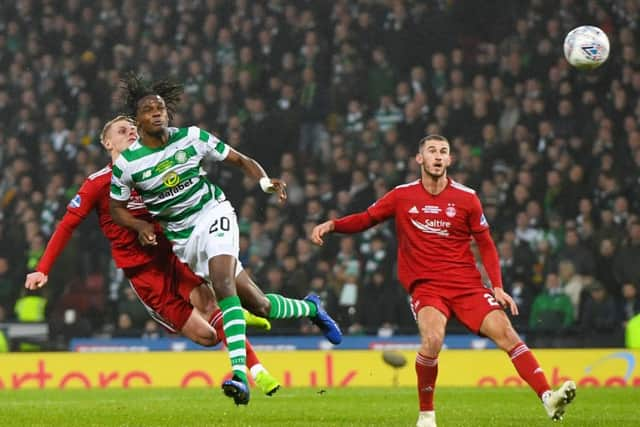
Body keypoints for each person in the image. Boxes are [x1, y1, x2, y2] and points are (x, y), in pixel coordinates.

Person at [311, 135, 576, 427]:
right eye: (432, 151)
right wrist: (333, 225)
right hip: (426, 285)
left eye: (444, 152)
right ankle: (426, 415)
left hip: (467, 285)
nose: (438, 156)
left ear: (450, 160)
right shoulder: (401, 195)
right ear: (419, 159)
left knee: (507, 334)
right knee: (433, 340)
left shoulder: (467, 198)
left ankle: (548, 398)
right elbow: (367, 218)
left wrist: (497, 286)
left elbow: (485, 243)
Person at [109, 75, 342, 405]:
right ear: (139, 120)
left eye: (160, 107)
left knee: (221, 284)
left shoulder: (192, 138)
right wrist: (137, 225)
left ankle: (239, 373)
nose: (157, 113)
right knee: (259, 304)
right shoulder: (129, 164)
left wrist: (263, 183)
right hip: (184, 239)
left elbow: (240, 159)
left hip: (214, 213)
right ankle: (311, 307)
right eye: (149, 110)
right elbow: (116, 208)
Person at [24, 116, 280, 396]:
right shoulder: (98, 183)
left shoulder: (152, 167)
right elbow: (67, 225)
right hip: (144, 275)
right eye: (122, 131)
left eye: (134, 128)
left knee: (211, 306)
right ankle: (237, 318)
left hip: (173, 256)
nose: (131, 132)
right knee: (207, 336)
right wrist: (43, 268)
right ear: (108, 143)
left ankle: (256, 372)